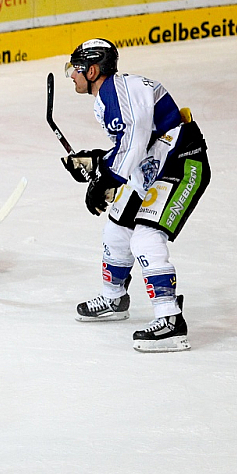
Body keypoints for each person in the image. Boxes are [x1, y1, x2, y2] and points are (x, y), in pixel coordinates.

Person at [62, 38, 210, 352]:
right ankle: (115, 299)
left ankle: (170, 321)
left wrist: (106, 179)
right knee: (116, 229)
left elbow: (135, 141)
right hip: (156, 165)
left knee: (145, 236)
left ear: (92, 70)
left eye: (75, 69)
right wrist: (97, 160)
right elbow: (135, 144)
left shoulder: (117, 92)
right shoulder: (112, 92)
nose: (71, 75)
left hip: (184, 164)